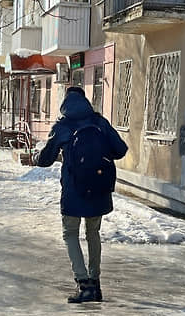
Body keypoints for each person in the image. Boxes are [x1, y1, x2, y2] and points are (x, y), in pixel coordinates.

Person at [32, 86, 128, 303]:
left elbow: (46, 159)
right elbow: (120, 150)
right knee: (93, 233)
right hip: (99, 187)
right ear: (86, 101)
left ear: (65, 102)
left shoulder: (62, 126)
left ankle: (83, 284)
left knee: (70, 234)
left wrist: (38, 156)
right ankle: (96, 283)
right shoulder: (99, 122)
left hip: (74, 190)